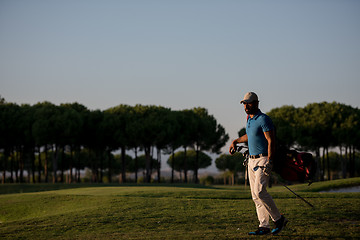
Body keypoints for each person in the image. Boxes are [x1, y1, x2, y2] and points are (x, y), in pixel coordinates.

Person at [229, 92, 288, 235]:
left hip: (263, 159)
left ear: (256, 103)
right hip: (251, 159)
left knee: (260, 191)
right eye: (244, 103)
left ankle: (279, 219)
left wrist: (270, 161)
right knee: (255, 195)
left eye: (248, 103)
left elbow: (271, 140)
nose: (246, 106)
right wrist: (236, 141)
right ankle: (264, 226)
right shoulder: (249, 119)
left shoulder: (264, 119)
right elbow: (249, 136)